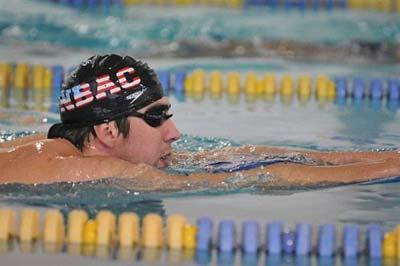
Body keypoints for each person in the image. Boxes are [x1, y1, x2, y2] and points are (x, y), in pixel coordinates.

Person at [1, 54, 400, 190]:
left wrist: (368, 156)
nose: (174, 132)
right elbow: (256, 179)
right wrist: (388, 169)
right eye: (156, 117)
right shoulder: (92, 170)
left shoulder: (61, 147)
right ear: (106, 131)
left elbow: (238, 159)